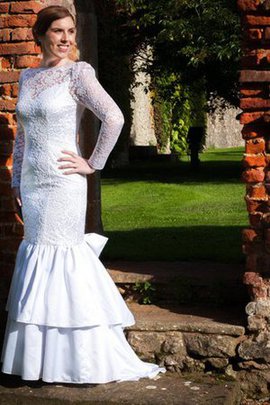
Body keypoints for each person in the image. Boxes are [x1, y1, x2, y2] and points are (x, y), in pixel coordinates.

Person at [1, 5, 165, 384]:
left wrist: (93, 163)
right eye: (57, 31)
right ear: (40, 34)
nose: (66, 39)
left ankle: (78, 361)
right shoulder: (27, 77)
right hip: (33, 185)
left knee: (64, 258)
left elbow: (114, 116)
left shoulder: (78, 73)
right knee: (38, 257)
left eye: (71, 31)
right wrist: (15, 183)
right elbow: (23, 136)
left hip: (64, 184)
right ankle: (38, 363)